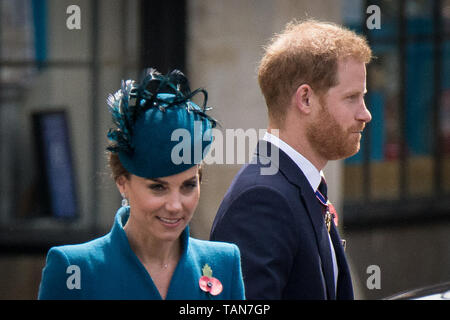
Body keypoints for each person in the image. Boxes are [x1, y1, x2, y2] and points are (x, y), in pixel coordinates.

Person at [38, 68, 245, 300]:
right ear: (122, 183)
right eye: (158, 187)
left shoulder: (224, 265)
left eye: (188, 185)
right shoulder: (74, 268)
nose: (176, 206)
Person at [210, 19, 372, 300]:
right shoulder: (262, 199)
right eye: (351, 98)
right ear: (305, 99)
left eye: (363, 97)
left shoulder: (299, 186)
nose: (365, 114)